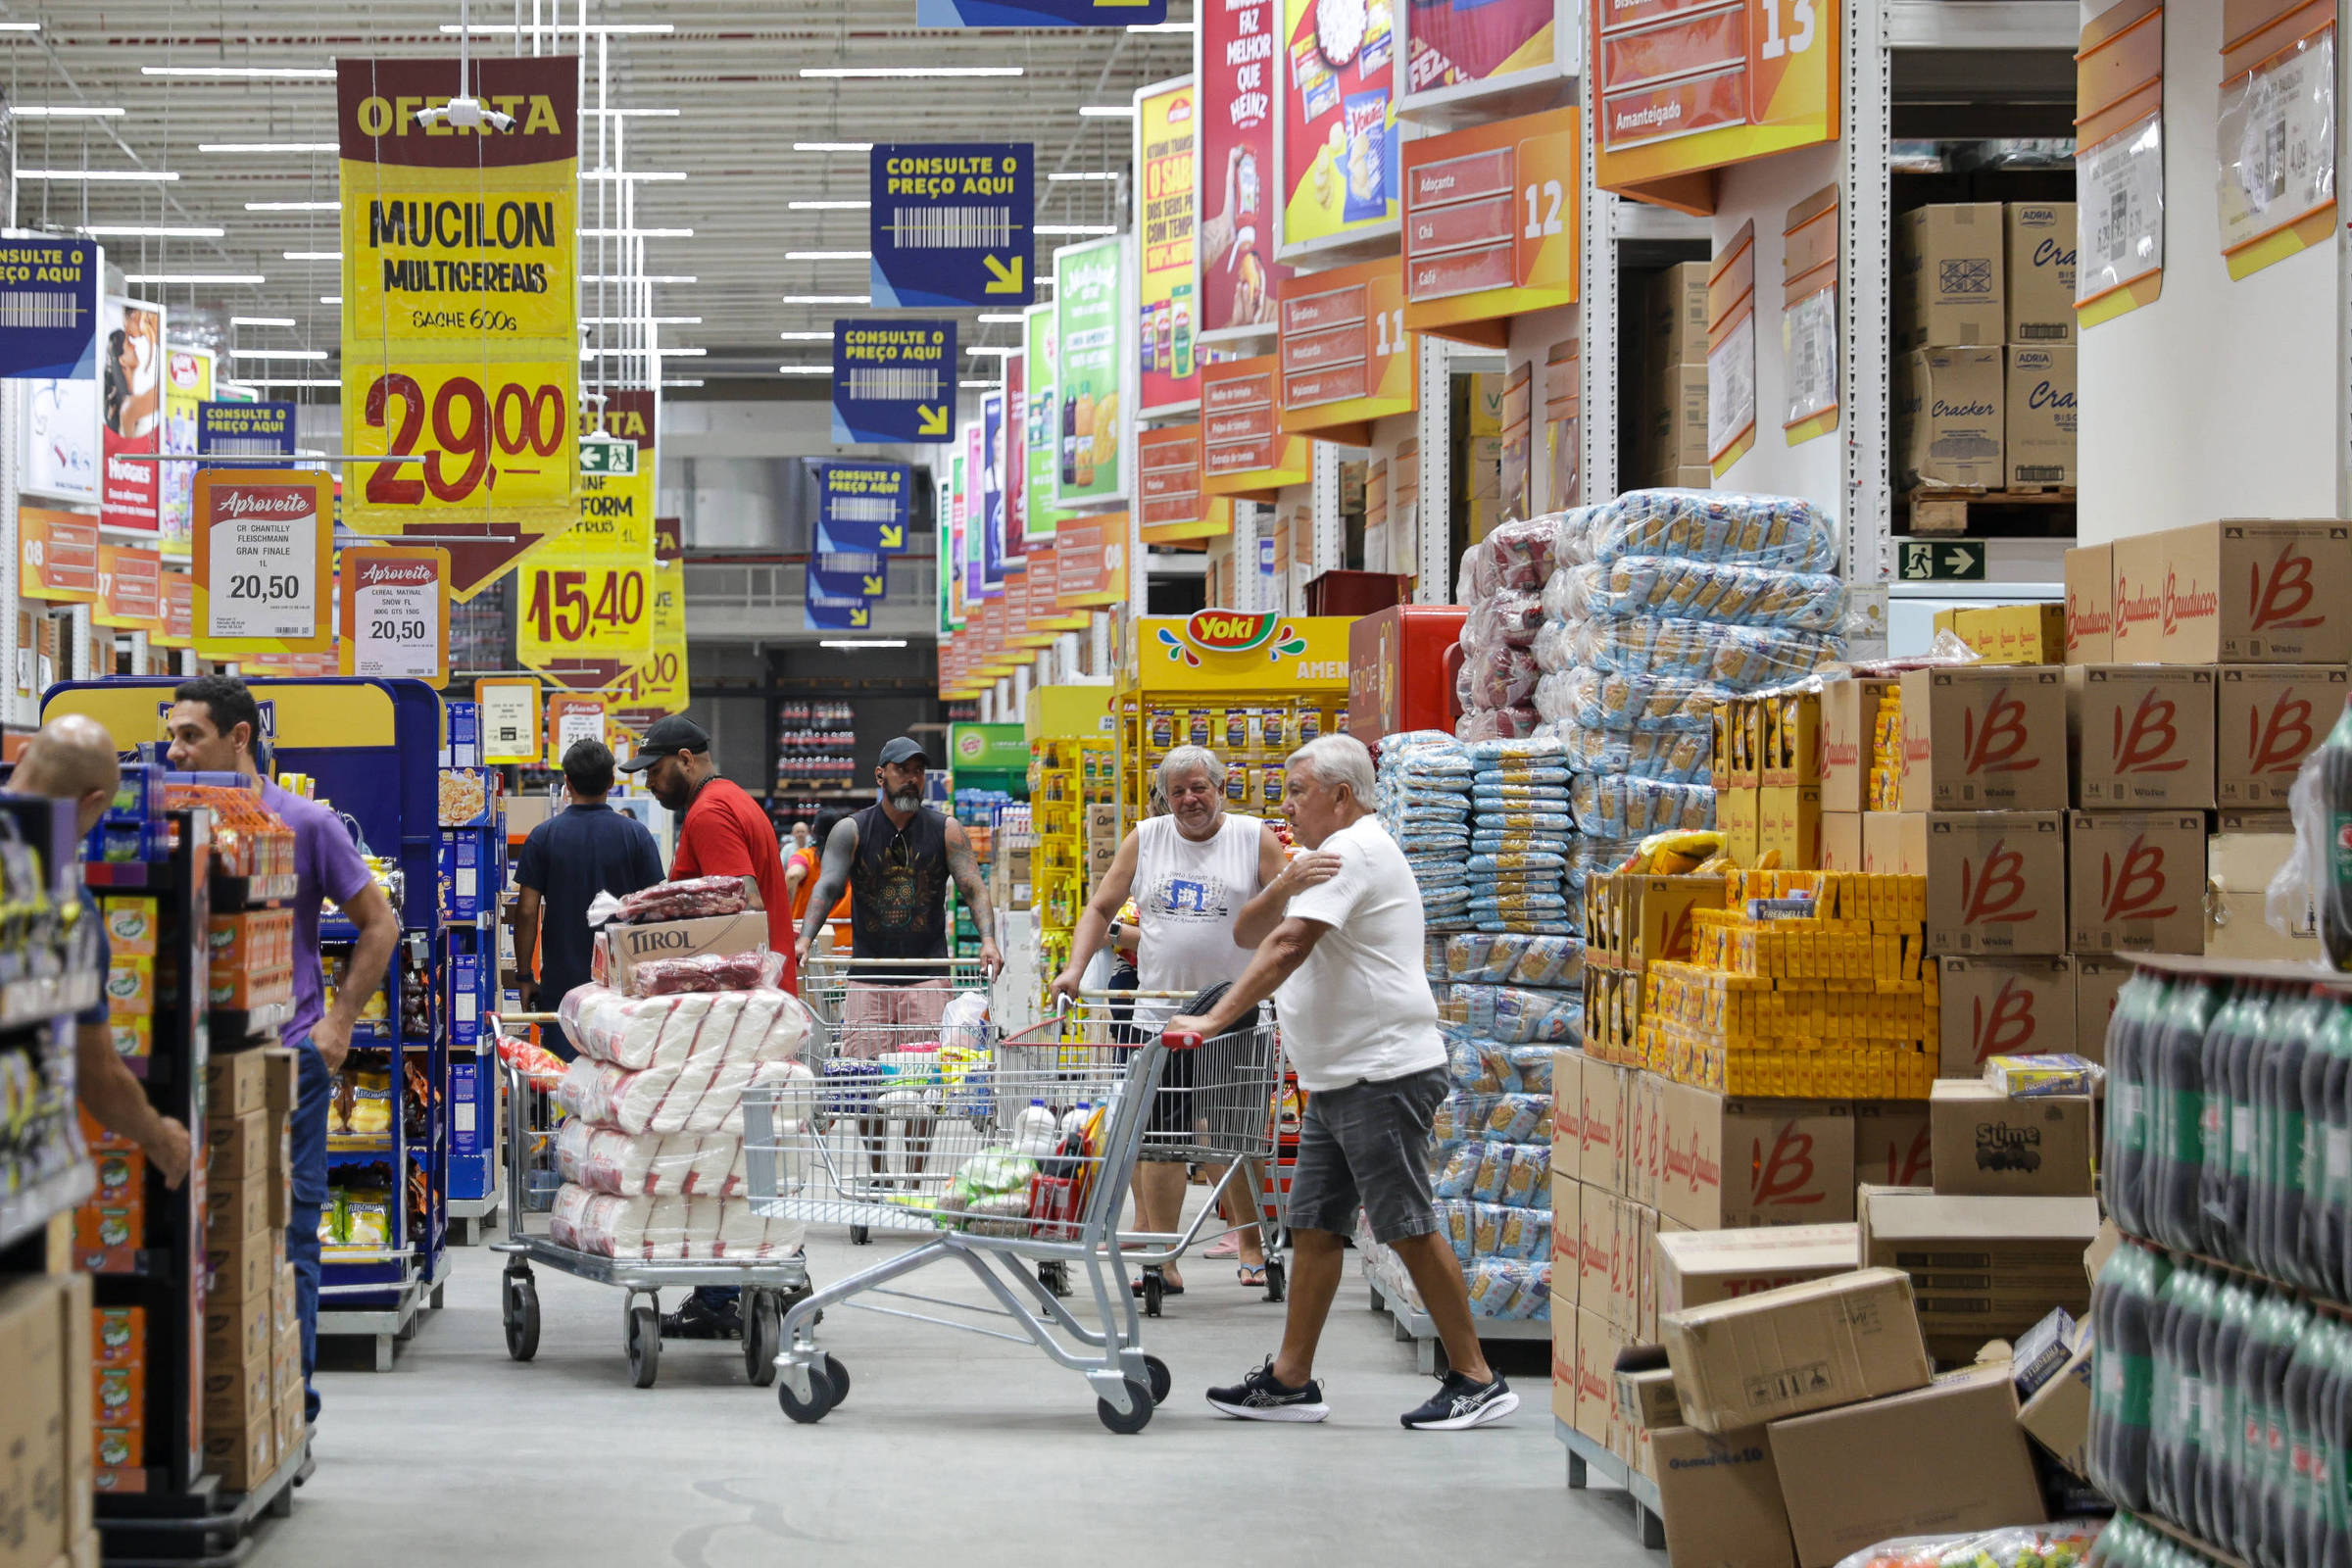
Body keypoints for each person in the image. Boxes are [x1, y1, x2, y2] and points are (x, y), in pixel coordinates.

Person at [1171, 734, 1517, 1432]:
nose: (1287, 805)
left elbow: (1288, 947)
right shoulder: (1321, 860)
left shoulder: (1356, 850)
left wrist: (1214, 1020)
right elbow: (1248, 931)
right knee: (1316, 1225)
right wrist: (1283, 881)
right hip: (1342, 1075)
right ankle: (1291, 1379)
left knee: (1406, 1223)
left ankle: (1476, 1377)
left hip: (1380, 1071)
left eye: (1298, 791)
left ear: (1342, 795)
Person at [167, 674, 399, 1426]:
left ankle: (288, 1408)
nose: (175, 750)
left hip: (285, 1057)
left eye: (189, 735)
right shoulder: (167, 821)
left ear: (240, 737)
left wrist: (339, 1023)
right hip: (184, 1061)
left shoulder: (303, 823)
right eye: (171, 735)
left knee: (290, 1227)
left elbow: (379, 923)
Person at [1050, 745, 1278, 1290]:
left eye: (1199, 787)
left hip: (1233, 1017)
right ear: (1164, 797)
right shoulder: (1147, 837)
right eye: (1177, 791)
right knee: (1158, 1138)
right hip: (1160, 1018)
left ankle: (1252, 1242)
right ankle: (1163, 1258)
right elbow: (1101, 908)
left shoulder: (1252, 836)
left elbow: (1294, 910)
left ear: (1220, 788)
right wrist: (1075, 969)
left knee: (1233, 1135)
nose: (1189, 800)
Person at [619, 713, 791, 1340]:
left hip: (739, 1014)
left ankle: (729, 1291)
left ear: (687, 758)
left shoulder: (710, 813)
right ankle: (777, 1274)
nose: (653, 784)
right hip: (751, 1006)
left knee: (720, 1147)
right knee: (746, 1151)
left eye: (657, 771)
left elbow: (737, 905)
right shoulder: (731, 802)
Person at [795, 737, 999, 1184]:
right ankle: (879, 1172)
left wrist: (988, 939)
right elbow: (827, 885)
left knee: (922, 1087)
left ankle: (914, 1177)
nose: (912, 777)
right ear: (880, 774)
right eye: (902, 768)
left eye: (919, 770)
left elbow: (972, 885)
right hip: (868, 975)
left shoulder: (945, 829)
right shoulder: (852, 829)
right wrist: (806, 938)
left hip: (927, 975)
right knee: (867, 1084)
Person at [13, 716, 191, 1190]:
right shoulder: (65, 904)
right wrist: (161, 1138)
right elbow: (98, 1075)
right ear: (91, 805)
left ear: (25, 752)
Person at [513, 739, 662, 1058]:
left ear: (566, 783)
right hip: (624, 987)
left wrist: (525, 976)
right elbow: (657, 908)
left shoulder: (543, 836)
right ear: (611, 781)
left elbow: (526, 912)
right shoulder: (636, 835)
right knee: (619, 1077)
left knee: (565, 1086)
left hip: (563, 990)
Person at [781, 808, 849, 995]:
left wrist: (784, 915)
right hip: (846, 948)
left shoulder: (805, 856)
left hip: (811, 945)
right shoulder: (851, 858)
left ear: (813, 830)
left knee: (814, 1004)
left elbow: (793, 875)